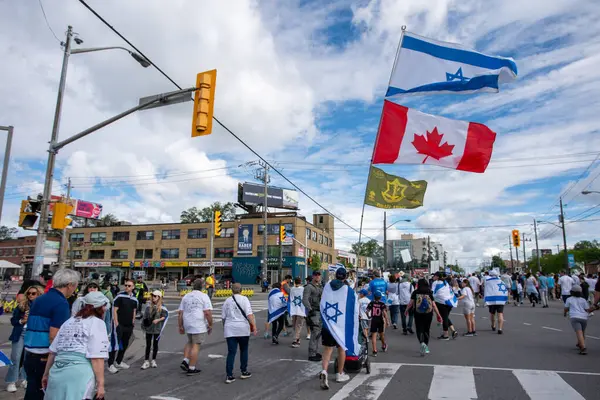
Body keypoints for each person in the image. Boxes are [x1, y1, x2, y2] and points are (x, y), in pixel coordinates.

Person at [23, 268, 79, 400]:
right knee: (44, 392)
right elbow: (55, 335)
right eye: (76, 286)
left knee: (32, 391)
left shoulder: (40, 299)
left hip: (30, 352)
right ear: (69, 284)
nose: (75, 289)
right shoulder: (60, 303)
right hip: (44, 355)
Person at [42, 292, 109, 399]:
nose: (105, 309)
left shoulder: (68, 322)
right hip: (79, 373)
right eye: (104, 306)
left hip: (57, 371)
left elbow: (53, 352)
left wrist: (46, 374)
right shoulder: (97, 323)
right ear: (99, 307)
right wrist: (100, 384)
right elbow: (96, 357)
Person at [318, 267, 355, 390]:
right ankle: (339, 373)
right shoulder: (347, 290)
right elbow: (352, 307)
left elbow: (322, 301)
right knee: (341, 349)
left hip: (328, 324)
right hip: (340, 326)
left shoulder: (327, 286)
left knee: (327, 350)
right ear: (345, 277)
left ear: (335, 276)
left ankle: (324, 370)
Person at [5, 285, 43, 393]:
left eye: (33, 293)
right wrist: (22, 321)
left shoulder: (41, 307)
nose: (30, 295)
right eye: (29, 293)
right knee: (16, 358)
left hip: (33, 334)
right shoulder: (22, 306)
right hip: (20, 333)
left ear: (39, 294)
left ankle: (24, 379)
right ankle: (12, 381)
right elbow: (13, 321)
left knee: (28, 359)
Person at [222, 283, 257, 384]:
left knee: (231, 352)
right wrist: (254, 326)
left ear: (231, 290)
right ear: (241, 290)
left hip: (230, 329)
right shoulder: (244, 299)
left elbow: (223, 317)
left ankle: (229, 375)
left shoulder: (227, 301)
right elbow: (249, 314)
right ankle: (244, 371)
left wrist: (225, 327)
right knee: (244, 350)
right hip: (242, 329)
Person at [178, 279, 213, 375]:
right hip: (198, 323)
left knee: (190, 342)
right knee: (196, 344)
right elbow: (207, 312)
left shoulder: (186, 296)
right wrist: (210, 324)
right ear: (202, 286)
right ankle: (192, 368)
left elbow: (180, 312)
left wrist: (180, 325)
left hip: (187, 322)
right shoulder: (204, 296)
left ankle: (185, 360)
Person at [108, 279, 138, 374]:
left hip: (129, 325)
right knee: (115, 345)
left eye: (129, 286)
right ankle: (110, 364)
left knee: (124, 344)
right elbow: (115, 310)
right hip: (119, 324)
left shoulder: (134, 299)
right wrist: (116, 323)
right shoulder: (120, 296)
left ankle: (118, 361)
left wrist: (133, 321)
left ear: (133, 287)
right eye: (126, 285)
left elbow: (134, 311)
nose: (127, 287)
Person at [405, 278, 442, 356]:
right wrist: (438, 315)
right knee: (426, 329)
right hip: (428, 313)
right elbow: (434, 305)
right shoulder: (429, 292)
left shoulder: (415, 292)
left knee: (419, 329)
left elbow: (411, 303)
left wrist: (406, 310)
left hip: (418, 313)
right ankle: (426, 346)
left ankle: (422, 343)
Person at [141, 290, 168, 370]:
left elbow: (164, 316)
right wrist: (144, 326)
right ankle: (146, 361)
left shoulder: (162, 307)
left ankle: (153, 360)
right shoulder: (148, 306)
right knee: (148, 345)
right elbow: (145, 317)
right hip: (149, 328)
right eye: (152, 296)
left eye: (155, 296)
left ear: (159, 297)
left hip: (157, 329)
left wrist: (158, 320)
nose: (153, 298)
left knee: (155, 345)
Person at [564, 285, 591, 355]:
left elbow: (566, 308)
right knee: (582, 332)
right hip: (584, 317)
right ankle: (579, 343)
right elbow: (587, 309)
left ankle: (583, 347)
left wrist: (565, 313)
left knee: (579, 332)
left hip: (574, 317)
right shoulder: (583, 300)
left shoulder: (569, 299)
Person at [431, 272, 458, 340]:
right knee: (445, 317)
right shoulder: (445, 282)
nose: (433, 277)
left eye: (434, 275)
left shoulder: (435, 283)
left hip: (441, 302)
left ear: (437, 276)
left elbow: (433, 293)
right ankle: (453, 330)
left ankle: (446, 335)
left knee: (444, 318)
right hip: (449, 302)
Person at [303, 271, 323, 362]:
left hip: (319, 312)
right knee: (315, 333)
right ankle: (312, 354)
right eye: (316, 275)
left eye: (319, 275)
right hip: (313, 312)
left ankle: (315, 351)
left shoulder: (320, 287)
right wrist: (310, 310)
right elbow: (305, 300)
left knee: (318, 333)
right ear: (313, 276)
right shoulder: (309, 287)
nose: (318, 277)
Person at [484, 270, 508, 334]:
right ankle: (500, 328)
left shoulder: (488, 282)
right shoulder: (501, 281)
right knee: (500, 313)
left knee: (492, 313)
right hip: (500, 299)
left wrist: (485, 299)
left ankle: (493, 325)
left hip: (491, 299)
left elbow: (486, 290)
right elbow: (505, 290)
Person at [367, 291, 389, 356]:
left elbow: (367, 311)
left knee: (374, 335)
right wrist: (387, 320)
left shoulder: (372, 303)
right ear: (380, 297)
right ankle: (383, 344)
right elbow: (384, 313)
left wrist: (369, 316)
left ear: (374, 297)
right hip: (380, 320)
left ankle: (374, 350)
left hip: (374, 320)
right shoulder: (382, 304)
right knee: (381, 334)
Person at [289, 277, 306, 348]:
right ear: (300, 282)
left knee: (295, 324)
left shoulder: (292, 289)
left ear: (294, 282)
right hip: (301, 309)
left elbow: (290, 298)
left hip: (293, 309)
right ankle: (297, 339)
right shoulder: (303, 289)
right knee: (298, 325)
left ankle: (296, 339)